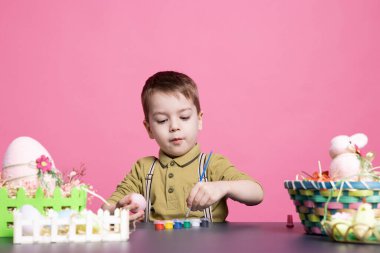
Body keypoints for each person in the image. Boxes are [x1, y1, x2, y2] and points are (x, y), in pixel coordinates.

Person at [102, 71, 264, 222]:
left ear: (199, 120)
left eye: (184, 117)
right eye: (162, 120)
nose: (174, 126)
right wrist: (118, 208)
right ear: (149, 128)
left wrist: (224, 187)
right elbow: (105, 208)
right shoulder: (143, 169)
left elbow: (256, 193)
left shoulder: (212, 164)